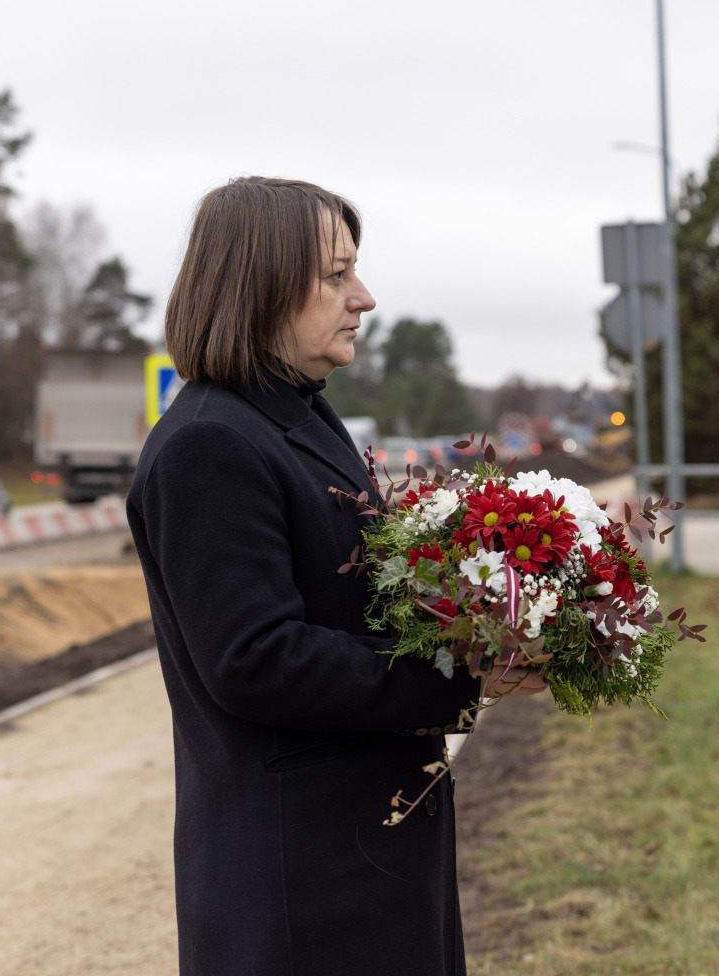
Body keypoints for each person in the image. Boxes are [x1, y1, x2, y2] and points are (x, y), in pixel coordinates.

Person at [126, 177, 545, 976]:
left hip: (361, 850)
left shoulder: (297, 416)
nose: (364, 297)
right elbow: (258, 660)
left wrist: (477, 606)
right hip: (300, 878)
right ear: (262, 284)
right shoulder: (209, 445)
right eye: (336, 275)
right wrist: (463, 675)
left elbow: (349, 597)